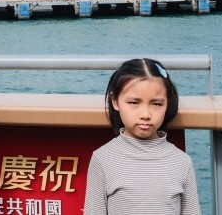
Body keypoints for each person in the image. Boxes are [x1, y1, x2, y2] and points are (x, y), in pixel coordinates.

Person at [84, 58, 200, 215]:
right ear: (115, 101)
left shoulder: (182, 162)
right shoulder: (102, 159)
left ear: (168, 103)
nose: (145, 114)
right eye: (134, 103)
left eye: (156, 104)